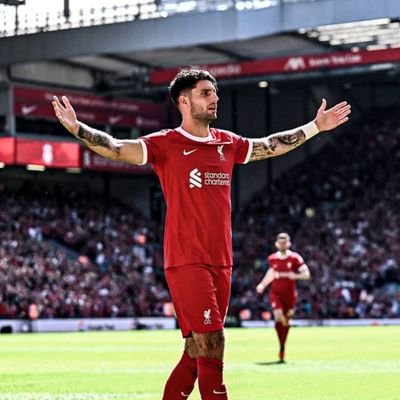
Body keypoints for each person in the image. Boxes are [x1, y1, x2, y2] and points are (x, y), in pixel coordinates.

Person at [52, 68, 351, 399]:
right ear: (184, 100)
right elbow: (118, 147)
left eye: (215, 93)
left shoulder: (228, 142)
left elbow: (269, 145)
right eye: (206, 93)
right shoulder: (166, 143)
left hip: (221, 260)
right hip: (186, 259)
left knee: (196, 352)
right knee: (214, 341)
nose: (215, 99)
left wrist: (315, 127)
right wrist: (78, 129)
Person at [256, 232, 310, 363]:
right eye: (280, 241)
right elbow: (271, 272)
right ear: (276, 244)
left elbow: (306, 274)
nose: (282, 243)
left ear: (289, 243)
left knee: (285, 322)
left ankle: (282, 347)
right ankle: (281, 346)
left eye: (285, 241)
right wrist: (262, 284)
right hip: (276, 293)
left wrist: (295, 276)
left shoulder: (295, 258)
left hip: (290, 296)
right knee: (279, 316)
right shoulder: (272, 259)